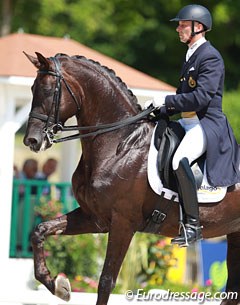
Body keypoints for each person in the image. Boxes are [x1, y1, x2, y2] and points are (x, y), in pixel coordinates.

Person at [149, 4, 240, 246]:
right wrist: (160, 109)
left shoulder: (210, 56)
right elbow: (183, 97)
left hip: (206, 125)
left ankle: (192, 226)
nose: (178, 28)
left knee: (180, 160)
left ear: (197, 27)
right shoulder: (191, 54)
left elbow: (200, 98)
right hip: (188, 122)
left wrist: (166, 100)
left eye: (182, 24)